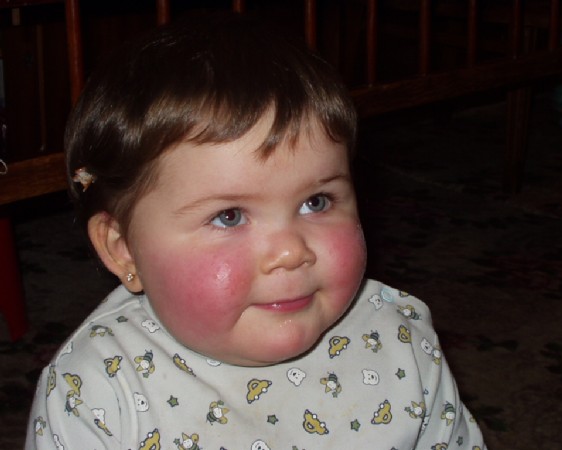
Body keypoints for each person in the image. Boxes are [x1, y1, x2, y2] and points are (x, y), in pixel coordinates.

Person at [26, 13, 487, 450]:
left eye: (316, 202)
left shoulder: (400, 342)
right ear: (124, 249)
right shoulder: (95, 392)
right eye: (229, 216)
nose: (290, 252)